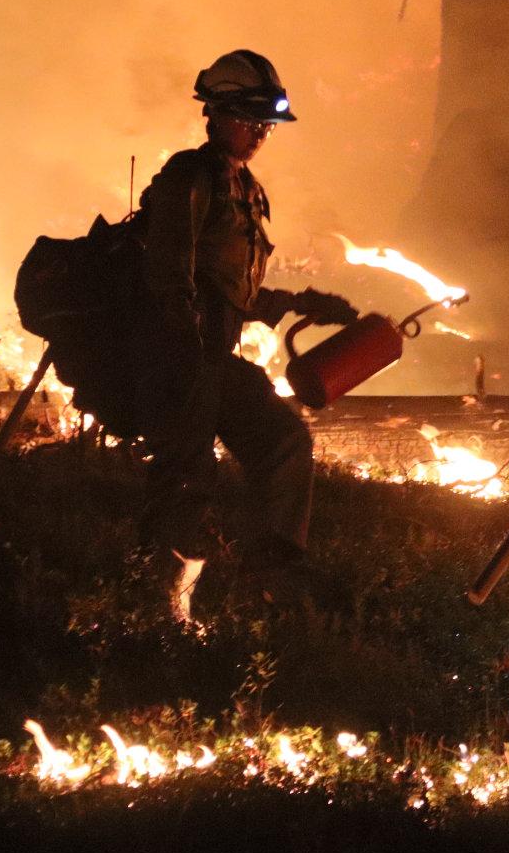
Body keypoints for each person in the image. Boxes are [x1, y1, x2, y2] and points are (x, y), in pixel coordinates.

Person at [125, 49, 356, 622]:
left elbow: (234, 292)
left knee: (284, 442)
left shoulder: (245, 191)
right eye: (250, 121)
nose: (260, 135)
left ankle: (273, 576)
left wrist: (302, 303)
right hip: (175, 356)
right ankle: (157, 611)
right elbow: (168, 274)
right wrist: (186, 361)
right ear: (219, 114)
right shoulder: (190, 178)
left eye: (265, 126)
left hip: (212, 354)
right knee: (186, 483)